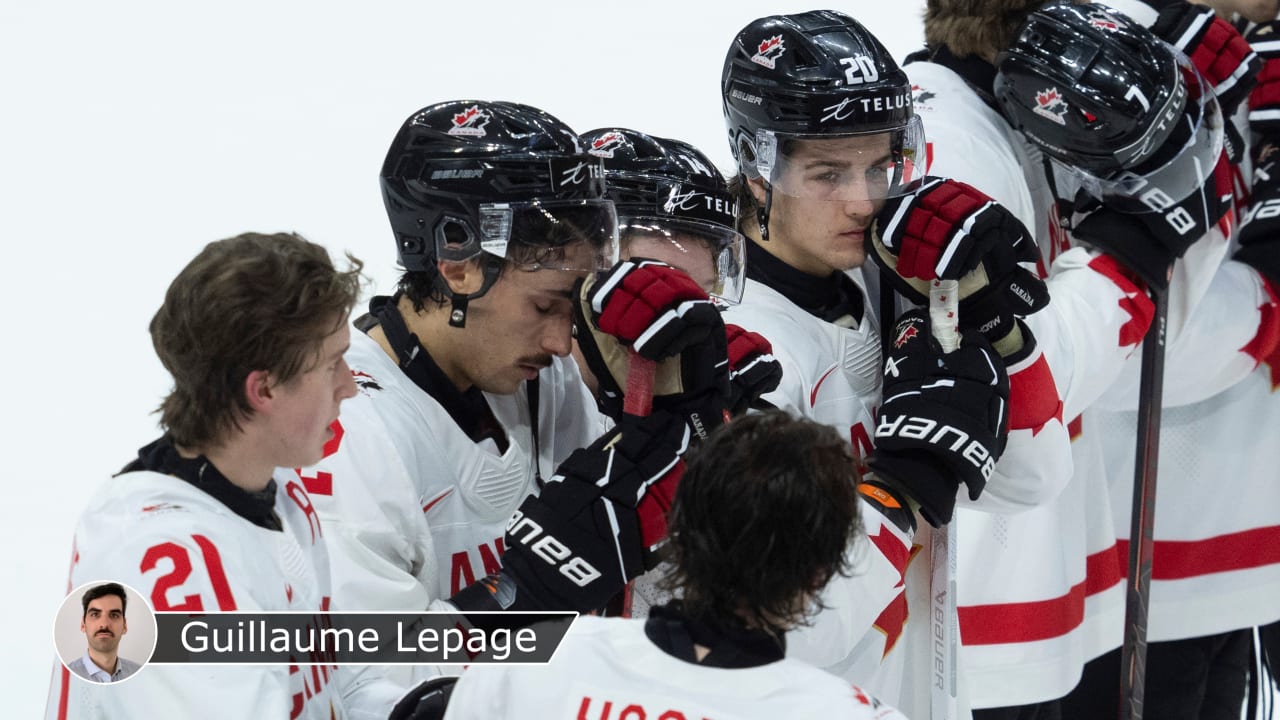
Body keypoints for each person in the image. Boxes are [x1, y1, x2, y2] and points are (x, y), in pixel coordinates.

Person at [911, 1, 1277, 716]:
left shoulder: (1004, 112)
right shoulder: (956, 142)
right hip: (992, 597)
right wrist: (1157, 246)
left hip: (1054, 578)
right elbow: (1032, 379)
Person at [305, 101, 731, 693]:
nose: (563, 342)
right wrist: (527, 592)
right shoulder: (348, 430)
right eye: (545, 305)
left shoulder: (537, 374)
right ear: (457, 264)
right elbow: (367, 690)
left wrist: (692, 434)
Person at [716, 10, 1071, 715]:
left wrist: (999, 333)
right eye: (826, 173)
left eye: (880, 165)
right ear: (758, 171)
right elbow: (782, 632)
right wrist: (902, 484)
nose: (863, 199)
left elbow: (1034, 479)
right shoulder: (740, 348)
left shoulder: (901, 282)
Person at [45, 232, 408, 718]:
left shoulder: (280, 497)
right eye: (331, 365)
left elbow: (334, 682)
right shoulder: (168, 562)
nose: (350, 387)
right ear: (264, 389)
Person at [442, 411, 909, 720]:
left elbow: (378, 659)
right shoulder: (849, 713)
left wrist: (519, 592)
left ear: (676, 538)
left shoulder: (531, 662)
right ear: (820, 574)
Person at [65, 583, 142, 684]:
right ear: (83, 624)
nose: (104, 624)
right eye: (95, 614)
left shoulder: (141, 675)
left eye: (114, 615)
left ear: (124, 626)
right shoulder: (66, 678)